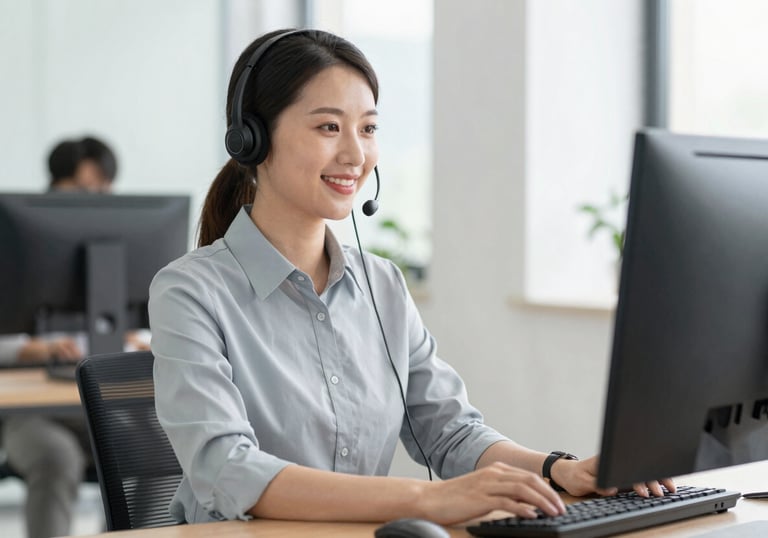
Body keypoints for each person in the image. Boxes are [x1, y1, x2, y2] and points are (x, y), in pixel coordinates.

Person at [148, 28, 673, 527]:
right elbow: (226, 468)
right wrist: (428, 499)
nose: (356, 154)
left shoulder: (382, 286)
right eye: (329, 127)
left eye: (369, 128)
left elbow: (450, 432)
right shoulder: (190, 292)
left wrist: (561, 470)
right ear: (252, 140)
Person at [0, 135, 145, 538]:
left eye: (102, 191)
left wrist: (138, 339)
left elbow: (136, 314)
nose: (93, 200)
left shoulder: (116, 246)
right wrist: (28, 348)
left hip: (98, 402)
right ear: (53, 187)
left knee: (151, 447)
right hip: (31, 412)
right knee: (55, 456)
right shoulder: (12, 248)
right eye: (81, 191)